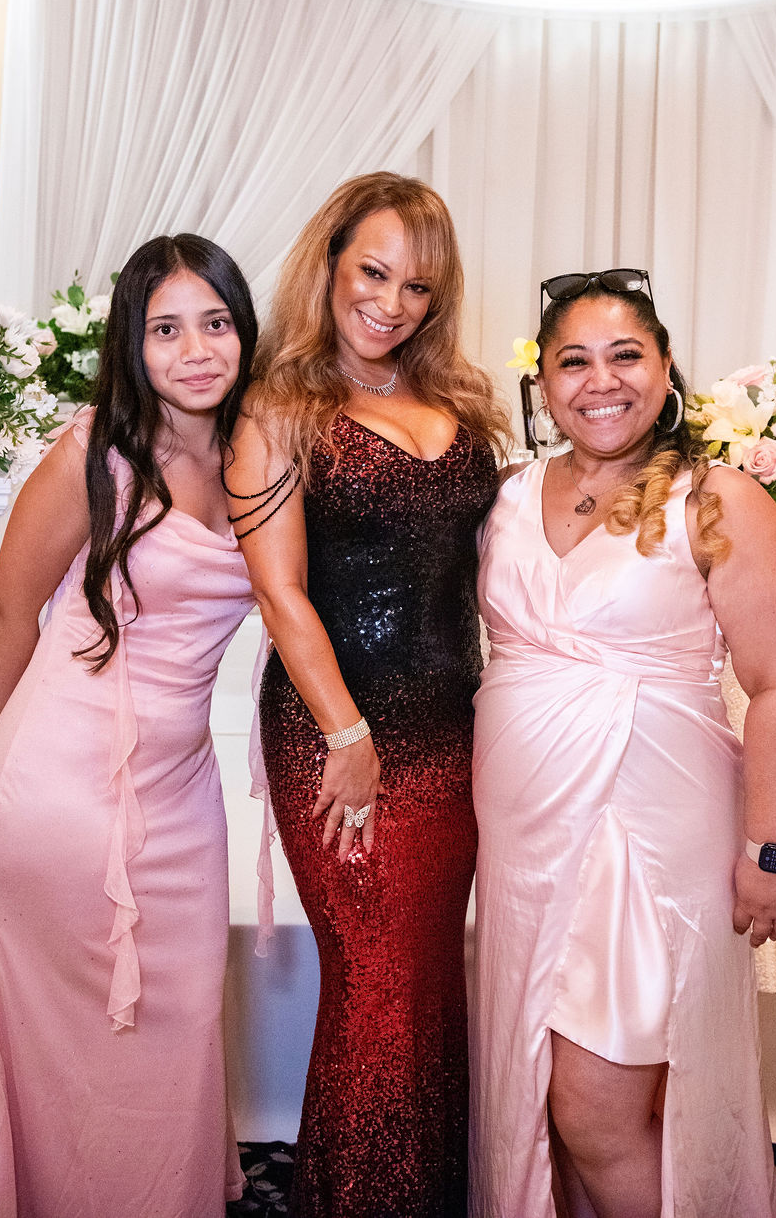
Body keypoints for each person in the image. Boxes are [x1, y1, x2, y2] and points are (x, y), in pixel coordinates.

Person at [470, 269, 776, 1218]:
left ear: (665, 370)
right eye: (573, 361)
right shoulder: (506, 496)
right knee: (542, 1090)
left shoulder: (719, 501)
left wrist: (774, 853)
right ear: (542, 384)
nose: (601, 380)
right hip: (524, 847)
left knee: (596, 1112)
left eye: (625, 355)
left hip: (643, 845)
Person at [0, 234, 258, 1218]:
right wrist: (21, 765)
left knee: (180, 1022)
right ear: (132, 342)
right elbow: (9, 610)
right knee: (65, 1042)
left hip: (180, 799)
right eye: (166, 329)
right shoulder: (94, 451)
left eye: (216, 323)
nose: (196, 350)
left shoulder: (259, 456)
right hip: (58, 789)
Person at [227, 172, 510, 1218]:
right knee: (377, 991)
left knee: (428, 982)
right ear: (331, 264)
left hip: (454, 729)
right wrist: (348, 733)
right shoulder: (278, 407)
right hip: (336, 729)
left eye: (417, 286)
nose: (391, 303)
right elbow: (280, 592)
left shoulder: (460, 403)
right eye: (374, 272)